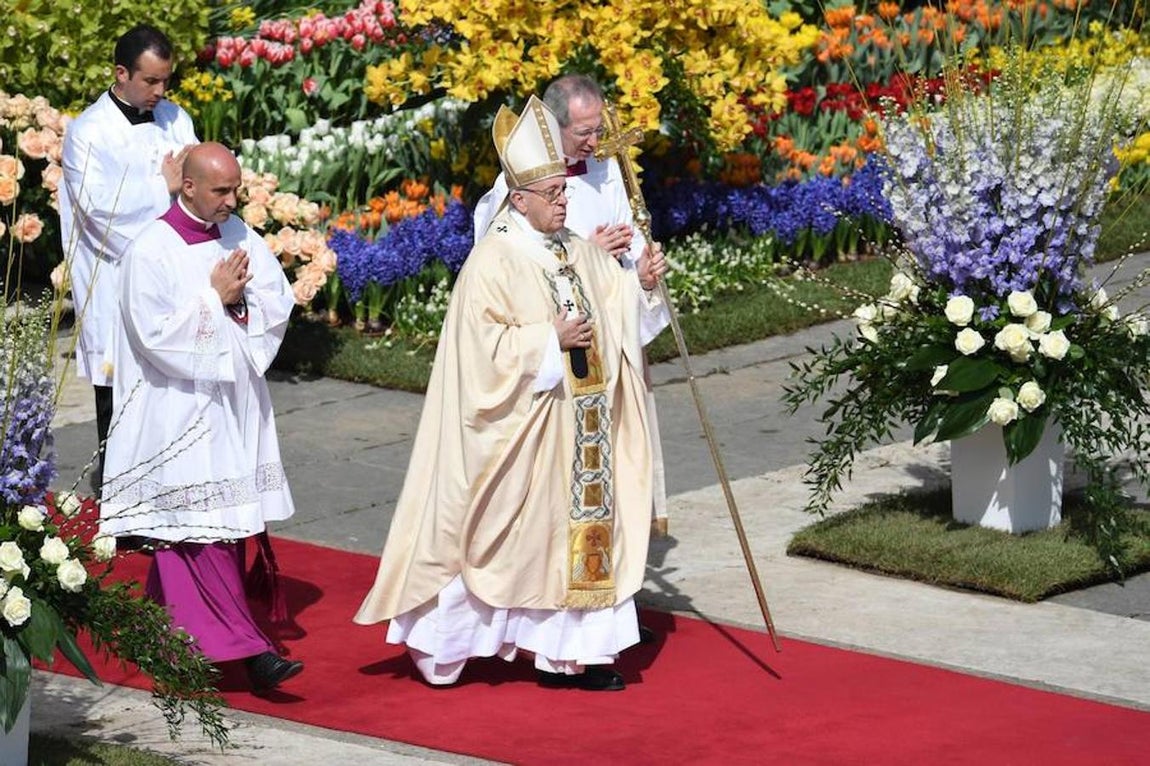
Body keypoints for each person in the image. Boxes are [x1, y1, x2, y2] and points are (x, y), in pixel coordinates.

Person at [355, 96, 669, 691]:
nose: (563, 201)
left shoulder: (574, 247)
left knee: (565, 543)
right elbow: (479, 352)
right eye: (551, 194)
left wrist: (641, 285)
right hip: (523, 430)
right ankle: (443, 646)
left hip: (580, 435)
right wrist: (546, 341)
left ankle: (568, 656)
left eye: (563, 191)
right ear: (517, 199)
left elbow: (614, 306)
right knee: (497, 537)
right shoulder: (493, 262)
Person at [98, 142, 303, 694]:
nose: (232, 201)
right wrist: (215, 299)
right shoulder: (150, 250)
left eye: (236, 188)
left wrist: (237, 304)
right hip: (175, 411)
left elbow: (274, 303)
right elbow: (154, 335)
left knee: (212, 526)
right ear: (187, 186)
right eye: (221, 190)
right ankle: (250, 648)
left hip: (229, 407)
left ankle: (162, 637)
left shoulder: (239, 235)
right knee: (200, 532)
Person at [475, 74, 671, 606]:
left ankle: (616, 596)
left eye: (597, 127)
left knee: (614, 485)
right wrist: (589, 253)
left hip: (613, 356)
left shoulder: (610, 172)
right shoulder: (511, 194)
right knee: (563, 501)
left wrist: (641, 276)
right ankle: (565, 607)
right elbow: (505, 279)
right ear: (553, 127)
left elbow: (623, 259)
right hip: (556, 375)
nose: (594, 140)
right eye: (584, 131)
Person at [59, 23, 198, 497]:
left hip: (172, 278)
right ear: (121, 73)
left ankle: (169, 487)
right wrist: (165, 186)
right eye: (151, 81)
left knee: (169, 388)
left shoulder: (177, 120)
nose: (161, 91)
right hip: (115, 279)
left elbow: (194, 189)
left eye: (166, 81)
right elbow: (99, 208)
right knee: (118, 394)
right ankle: (120, 497)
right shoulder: (89, 132)